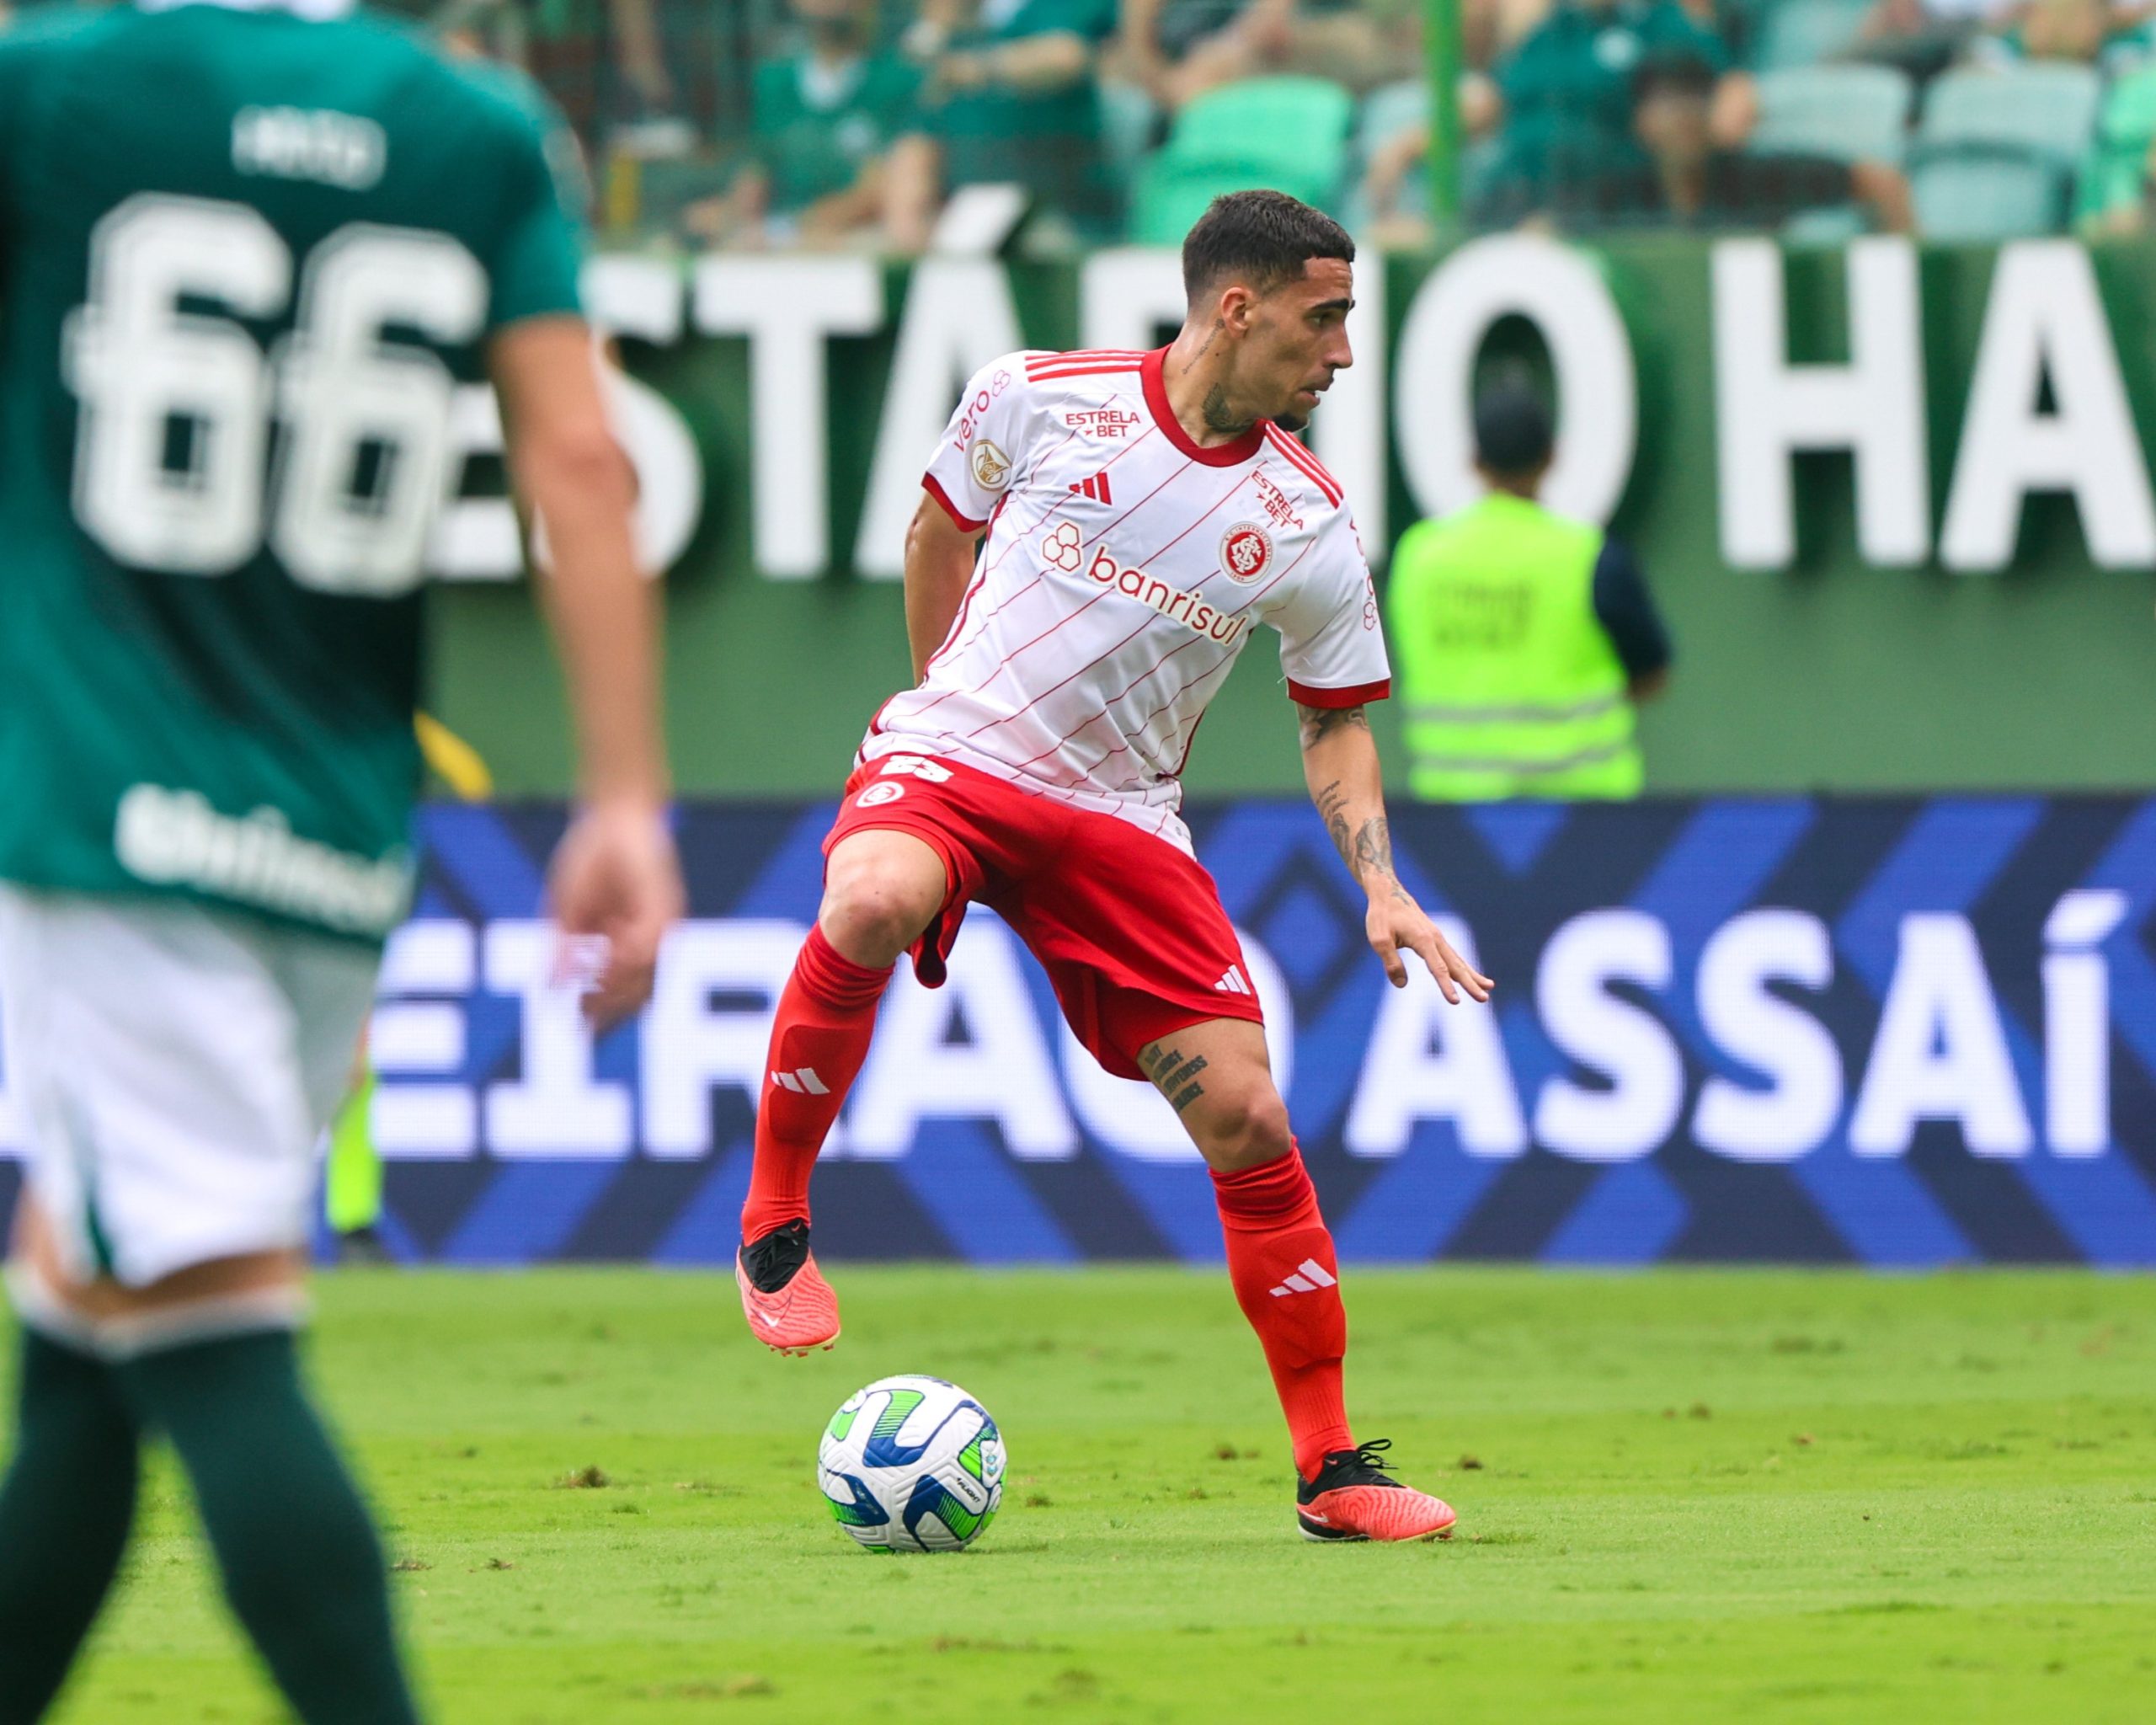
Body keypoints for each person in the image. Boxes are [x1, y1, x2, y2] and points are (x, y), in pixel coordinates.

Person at [0, 3, 683, 1719]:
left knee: (218, 1342)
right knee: (87, 1344)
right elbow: (579, 461)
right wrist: (622, 795)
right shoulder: (478, 129)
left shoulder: (61, 85)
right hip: (331, 832)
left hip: (106, 812)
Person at [734, 189, 1492, 1545]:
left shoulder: (1306, 521)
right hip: (957, 762)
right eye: (1326, 321)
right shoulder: (1033, 396)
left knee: (1251, 1117)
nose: (1343, 356)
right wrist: (939, 721)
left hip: (1121, 822)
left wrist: (1382, 884)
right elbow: (933, 537)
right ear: (1236, 307)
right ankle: (777, 1210)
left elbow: (1334, 727)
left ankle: (1331, 1473)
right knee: (871, 895)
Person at [1386, 375, 1672, 800]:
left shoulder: (1418, 557)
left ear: (1475, 461)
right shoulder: (1589, 555)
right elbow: (1653, 674)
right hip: (1586, 818)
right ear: (1552, 457)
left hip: (1451, 818)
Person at [1584, 47, 1913, 232]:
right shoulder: (1618, 193)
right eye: (1669, 103)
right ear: (1641, 121)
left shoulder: (1759, 177)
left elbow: (1881, 181)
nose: (1686, 115)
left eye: (1697, 98)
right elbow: (1550, 229)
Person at [685, 0, 926, 250]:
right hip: (783, 239)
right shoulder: (774, 80)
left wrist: (787, 229)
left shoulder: (900, 79)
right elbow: (756, 175)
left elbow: (882, 189)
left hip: (855, 241)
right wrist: (728, 217)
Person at [885, 0, 1121, 241]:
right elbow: (917, 140)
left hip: (1061, 212)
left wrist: (974, 68)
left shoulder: (1048, 10)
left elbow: (1067, 55)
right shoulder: (940, 35)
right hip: (967, 219)